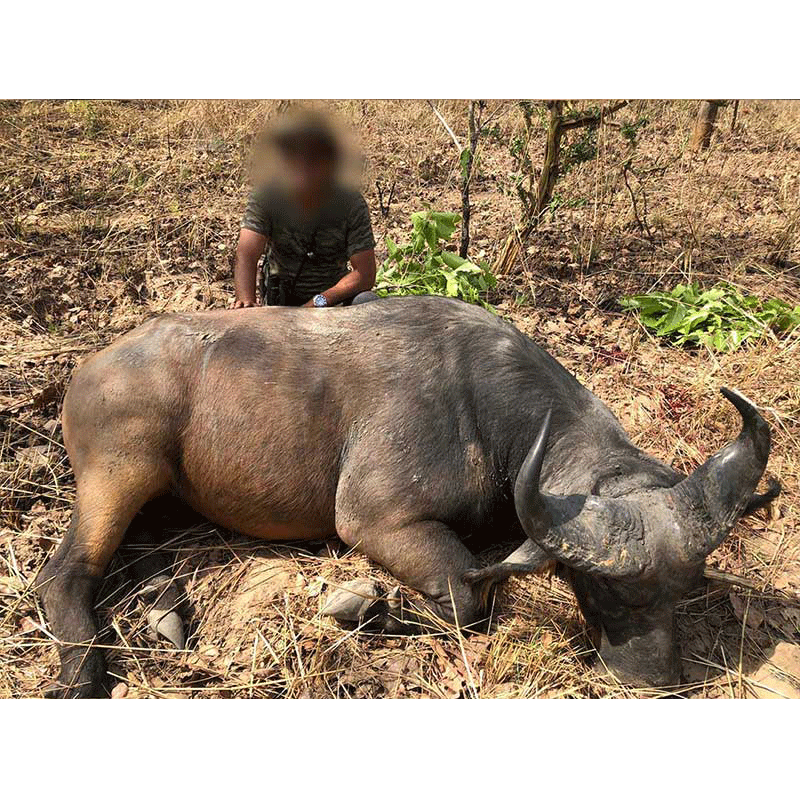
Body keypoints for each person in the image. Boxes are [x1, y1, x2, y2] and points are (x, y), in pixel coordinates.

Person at [233, 110, 379, 309]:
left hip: (330, 301)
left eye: (313, 160)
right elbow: (247, 252)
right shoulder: (267, 197)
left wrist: (317, 302)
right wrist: (246, 301)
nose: (303, 167)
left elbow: (365, 274)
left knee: (367, 302)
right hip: (280, 302)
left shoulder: (350, 204)